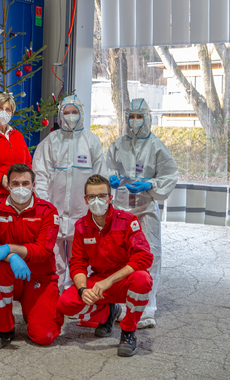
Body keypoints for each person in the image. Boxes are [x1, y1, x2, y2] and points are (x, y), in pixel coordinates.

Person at [57, 175, 153, 357]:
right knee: (65, 303)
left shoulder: (128, 221)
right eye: (92, 197)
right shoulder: (81, 227)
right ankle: (109, 312)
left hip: (125, 280)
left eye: (102, 196)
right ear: (85, 200)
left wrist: (109, 281)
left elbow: (144, 257)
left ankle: (128, 332)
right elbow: (77, 263)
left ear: (110, 198)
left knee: (143, 279)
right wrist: (82, 289)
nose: (97, 201)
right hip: (99, 282)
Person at [106, 98, 178, 329]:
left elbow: (170, 174)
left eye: (139, 116)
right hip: (121, 209)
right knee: (121, 256)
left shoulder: (156, 146)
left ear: (147, 118)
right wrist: (112, 180)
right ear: (126, 118)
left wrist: (151, 185)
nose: (135, 121)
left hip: (145, 209)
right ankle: (122, 304)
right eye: (132, 116)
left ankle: (146, 310)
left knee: (150, 256)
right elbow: (106, 169)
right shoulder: (118, 145)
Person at [0, 164, 63, 350]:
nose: (20, 188)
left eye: (25, 183)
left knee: (45, 336)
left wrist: (9, 248)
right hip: (8, 273)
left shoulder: (48, 211)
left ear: (34, 186)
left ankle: (31, 308)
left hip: (40, 278)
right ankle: (4, 329)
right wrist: (12, 258)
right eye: (15, 183)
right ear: (7, 186)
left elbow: (43, 250)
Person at [32, 94, 107, 292]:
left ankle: (76, 300)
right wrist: (44, 207)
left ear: (81, 114)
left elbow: (100, 177)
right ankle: (52, 300)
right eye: (67, 113)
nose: (70, 116)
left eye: (74, 113)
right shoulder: (51, 141)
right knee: (53, 261)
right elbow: (40, 175)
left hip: (82, 215)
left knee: (80, 262)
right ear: (60, 115)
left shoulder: (92, 141)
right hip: (53, 214)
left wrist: (97, 207)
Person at [0, 94, 32, 217]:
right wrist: (0, 178)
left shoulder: (17, 136)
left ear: (12, 113)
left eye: (7, 109)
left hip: (18, 196)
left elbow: (27, 163)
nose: (4, 112)